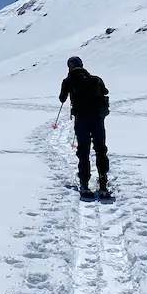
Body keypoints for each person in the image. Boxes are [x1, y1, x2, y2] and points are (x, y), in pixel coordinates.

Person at [59, 55, 111, 198]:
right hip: (97, 119)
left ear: (70, 66)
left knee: (83, 151)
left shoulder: (69, 80)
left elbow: (62, 98)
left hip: (81, 119)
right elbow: (105, 91)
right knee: (100, 149)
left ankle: (84, 184)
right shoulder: (96, 79)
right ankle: (103, 184)